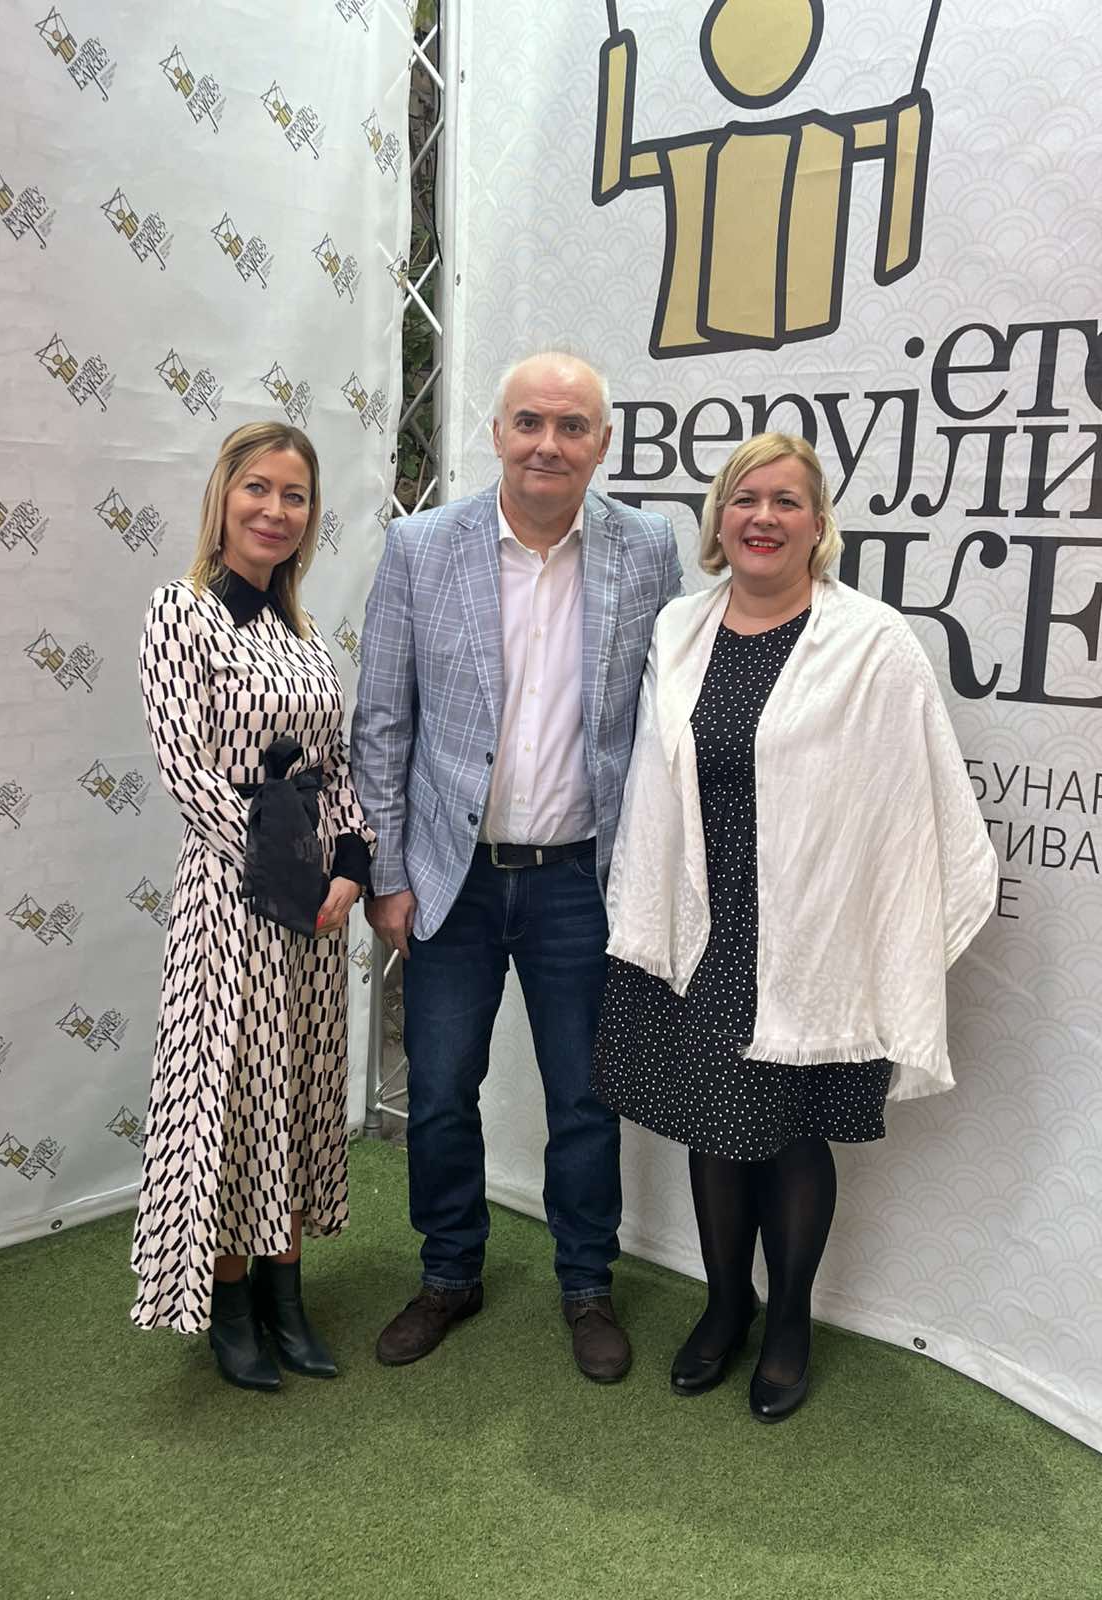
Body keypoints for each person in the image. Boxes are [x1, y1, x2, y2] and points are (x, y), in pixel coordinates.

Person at [592, 432, 996, 1421]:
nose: (763, 516)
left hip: (811, 929)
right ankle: (726, 1305)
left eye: (785, 500)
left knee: (790, 1132)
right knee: (714, 1123)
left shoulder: (871, 642)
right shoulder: (679, 629)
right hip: (703, 916)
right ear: (719, 521)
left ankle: (789, 1322)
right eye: (744, 498)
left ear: (819, 524)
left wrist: (888, 921)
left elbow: (911, 796)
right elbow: (657, 780)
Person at [351, 352, 682, 1381]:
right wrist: (389, 873)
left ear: (603, 444)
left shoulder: (648, 548)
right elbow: (383, 720)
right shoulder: (421, 547)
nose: (548, 443)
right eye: (529, 422)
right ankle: (448, 1272)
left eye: (572, 426)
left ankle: (587, 1283)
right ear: (496, 433)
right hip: (452, 878)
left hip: (582, 880)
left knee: (585, 1097)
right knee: (442, 1089)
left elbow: (662, 718)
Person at [132, 420, 374, 1392]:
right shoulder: (179, 612)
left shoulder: (305, 637)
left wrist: (348, 865)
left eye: (295, 495)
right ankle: (230, 1302)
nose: (276, 510)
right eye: (259, 489)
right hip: (231, 900)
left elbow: (334, 768)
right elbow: (185, 772)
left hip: (313, 910)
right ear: (223, 496)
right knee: (232, 1098)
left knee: (299, 1091)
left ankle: (286, 1292)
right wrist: (288, 871)